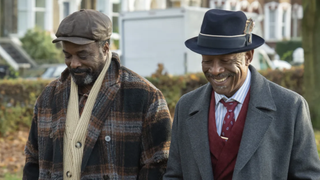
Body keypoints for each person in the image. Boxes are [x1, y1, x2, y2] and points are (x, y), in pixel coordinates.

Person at [163, 9, 320, 180]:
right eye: (207, 61)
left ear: (248, 56)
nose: (215, 70)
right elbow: (174, 175)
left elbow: (308, 176)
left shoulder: (291, 107)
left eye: (226, 61)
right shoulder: (185, 107)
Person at [23, 9, 172, 180]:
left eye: (83, 55)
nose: (74, 63)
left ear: (105, 48)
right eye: (67, 55)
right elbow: (33, 161)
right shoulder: (48, 97)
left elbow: (159, 165)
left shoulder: (145, 97)